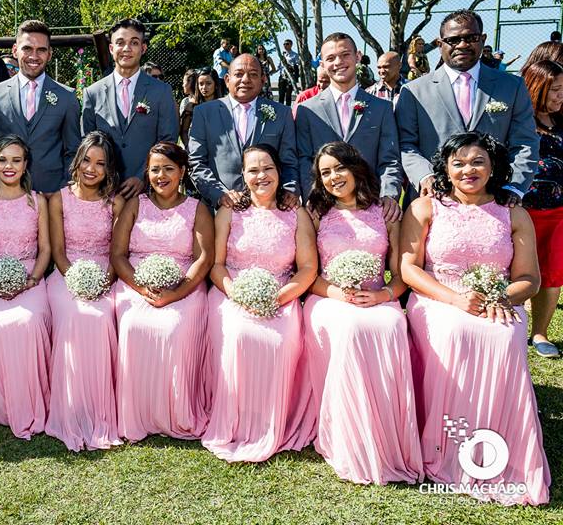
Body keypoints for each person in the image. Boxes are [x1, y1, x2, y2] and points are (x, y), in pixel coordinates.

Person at [400, 132, 549, 506]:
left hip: (498, 299)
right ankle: (444, 447)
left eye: (478, 162)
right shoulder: (425, 208)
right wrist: (455, 298)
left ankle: (499, 449)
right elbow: (409, 268)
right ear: (446, 169)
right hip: (439, 298)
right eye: (459, 163)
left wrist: (499, 298)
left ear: (493, 168)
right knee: (454, 332)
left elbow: (529, 279)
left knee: (504, 336)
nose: (468, 170)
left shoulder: (513, 213)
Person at [301, 142, 422, 485]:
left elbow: (400, 275)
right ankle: (350, 437)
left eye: (339, 168)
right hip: (328, 298)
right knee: (351, 329)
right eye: (325, 173)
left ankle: (388, 436)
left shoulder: (385, 212)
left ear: (355, 168)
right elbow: (309, 274)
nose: (333, 177)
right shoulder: (315, 213)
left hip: (378, 297)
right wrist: (340, 294)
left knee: (392, 324)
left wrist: (384, 295)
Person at [202, 144, 316, 462]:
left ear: (279, 172)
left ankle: (272, 420)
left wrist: (280, 297)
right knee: (239, 333)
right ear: (243, 175)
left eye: (268, 168)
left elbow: (308, 268)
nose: (261, 175)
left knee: (280, 339)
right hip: (232, 292)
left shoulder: (296, 213)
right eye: (253, 170)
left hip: (282, 293)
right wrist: (237, 293)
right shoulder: (229, 212)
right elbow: (216, 265)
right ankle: (236, 419)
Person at [110, 142, 213, 441]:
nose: (161, 175)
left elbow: (204, 259)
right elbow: (118, 255)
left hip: (184, 284)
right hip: (136, 283)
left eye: (168, 169)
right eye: (155, 169)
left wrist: (176, 293)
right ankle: (136, 412)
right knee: (133, 324)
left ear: (182, 171)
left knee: (174, 328)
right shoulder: (135, 204)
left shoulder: (197, 208)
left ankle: (175, 412)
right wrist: (141, 287)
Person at [396, 10, 540, 205]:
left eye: (471, 38)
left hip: (494, 201)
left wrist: (513, 186)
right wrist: (425, 176)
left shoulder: (512, 87)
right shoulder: (413, 91)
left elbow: (525, 142)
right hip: (432, 202)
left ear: (483, 39)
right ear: (440, 44)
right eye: (453, 40)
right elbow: (405, 144)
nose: (462, 45)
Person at [44, 132, 125, 451]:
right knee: (72, 315)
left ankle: (100, 409)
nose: (92, 168)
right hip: (67, 274)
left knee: (101, 317)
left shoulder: (115, 203)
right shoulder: (58, 200)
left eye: (100, 164)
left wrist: (103, 281)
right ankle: (70, 408)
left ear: (109, 169)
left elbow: (117, 253)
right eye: (87, 160)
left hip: (105, 274)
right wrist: (77, 280)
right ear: (77, 161)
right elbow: (58, 252)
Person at [0, 135, 51, 439]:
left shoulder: (37, 201)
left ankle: (30, 400)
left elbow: (45, 249)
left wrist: (32, 280)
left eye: (16, 160)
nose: (9, 166)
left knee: (30, 322)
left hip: (29, 277)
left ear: (25, 164)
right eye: (3, 160)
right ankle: (0, 403)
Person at [295, 33, 403, 221]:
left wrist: (389, 194)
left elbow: (390, 159)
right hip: (323, 209)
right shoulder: (307, 110)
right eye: (330, 58)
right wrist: (312, 197)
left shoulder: (382, 108)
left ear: (357, 56)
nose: (338, 62)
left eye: (345, 55)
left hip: (372, 206)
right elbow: (304, 159)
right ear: (322, 64)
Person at [81, 18, 179, 199]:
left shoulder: (161, 91)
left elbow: (167, 141)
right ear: (111, 48)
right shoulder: (92, 93)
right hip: (103, 191)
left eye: (134, 43)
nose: (126, 48)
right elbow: (87, 143)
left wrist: (144, 176)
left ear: (143, 48)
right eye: (120, 42)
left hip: (148, 191)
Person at [188, 54, 299, 210]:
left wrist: (289, 190)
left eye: (253, 74)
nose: (245, 80)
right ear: (227, 79)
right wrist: (219, 194)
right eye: (239, 74)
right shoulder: (204, 113)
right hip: (218, 209)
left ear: (263, 80)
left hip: (269, 208)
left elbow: (289, 161)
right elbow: (196, 161)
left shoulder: (282, 113)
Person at [0, 20, 81, 194]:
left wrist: (63, 190)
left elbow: (73, 151)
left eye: (41, 50)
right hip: (5, 195)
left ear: (49, 54)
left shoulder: (67, 97)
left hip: (51, 193)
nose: (34, 56)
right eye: (27, 48)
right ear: (15, 50)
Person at [522, 60, 563, 358]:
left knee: (553, 270)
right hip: (523, 210)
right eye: (556, 90)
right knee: (518, 269)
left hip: (558, 212)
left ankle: (540, 333)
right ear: (538, 88)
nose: (561, 96)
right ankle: (510, 326)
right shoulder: (519, 121)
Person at [179, 68, 220, 148]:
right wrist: (188, 147)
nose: (204, 87)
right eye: (201, 84)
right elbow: (184, 131)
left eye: (208, 83)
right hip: (196, 150)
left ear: (215, 85)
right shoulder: (191, 106)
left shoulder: (223, 106)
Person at [278, 39, 300, 105]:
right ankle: (280, 109)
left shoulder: (295, 55)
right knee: (281, 95)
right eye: (284, 44)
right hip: (282, 76)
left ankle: (288, 109)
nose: (285, 45)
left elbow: (297, 66)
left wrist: (289, 66)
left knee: (288, 95)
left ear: (291, 45)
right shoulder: (282, 55)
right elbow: (279, 66)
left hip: (290, 77)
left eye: (287, 44)